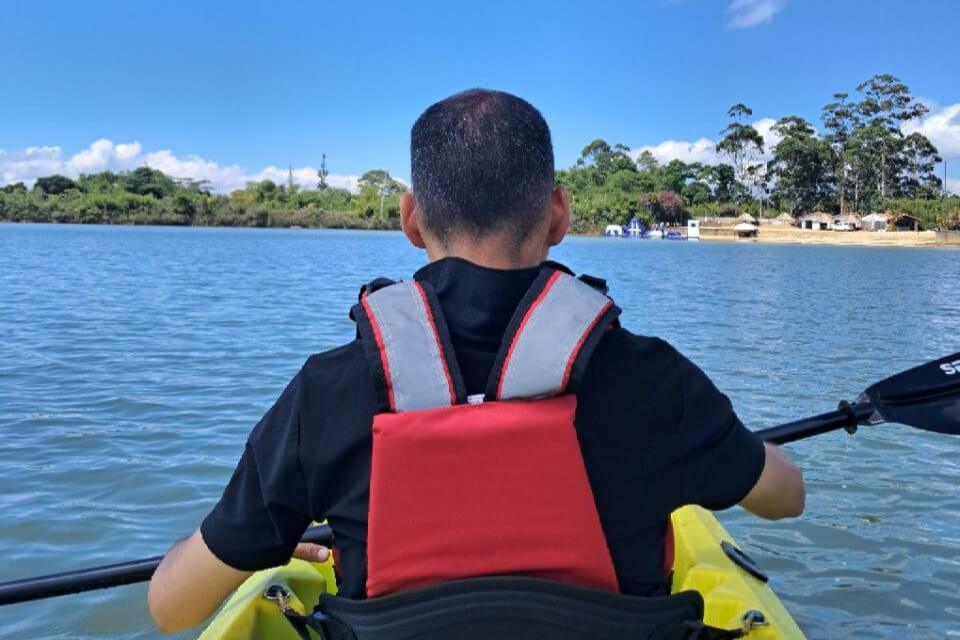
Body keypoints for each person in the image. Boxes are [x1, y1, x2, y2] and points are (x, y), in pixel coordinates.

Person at [148, 89, 805, 633]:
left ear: (410, 220)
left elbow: (170, 608)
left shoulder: (327, 394)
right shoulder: (655, 380)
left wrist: (266, 539)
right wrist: (712, 444)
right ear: (559, 214)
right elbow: (785, 498)